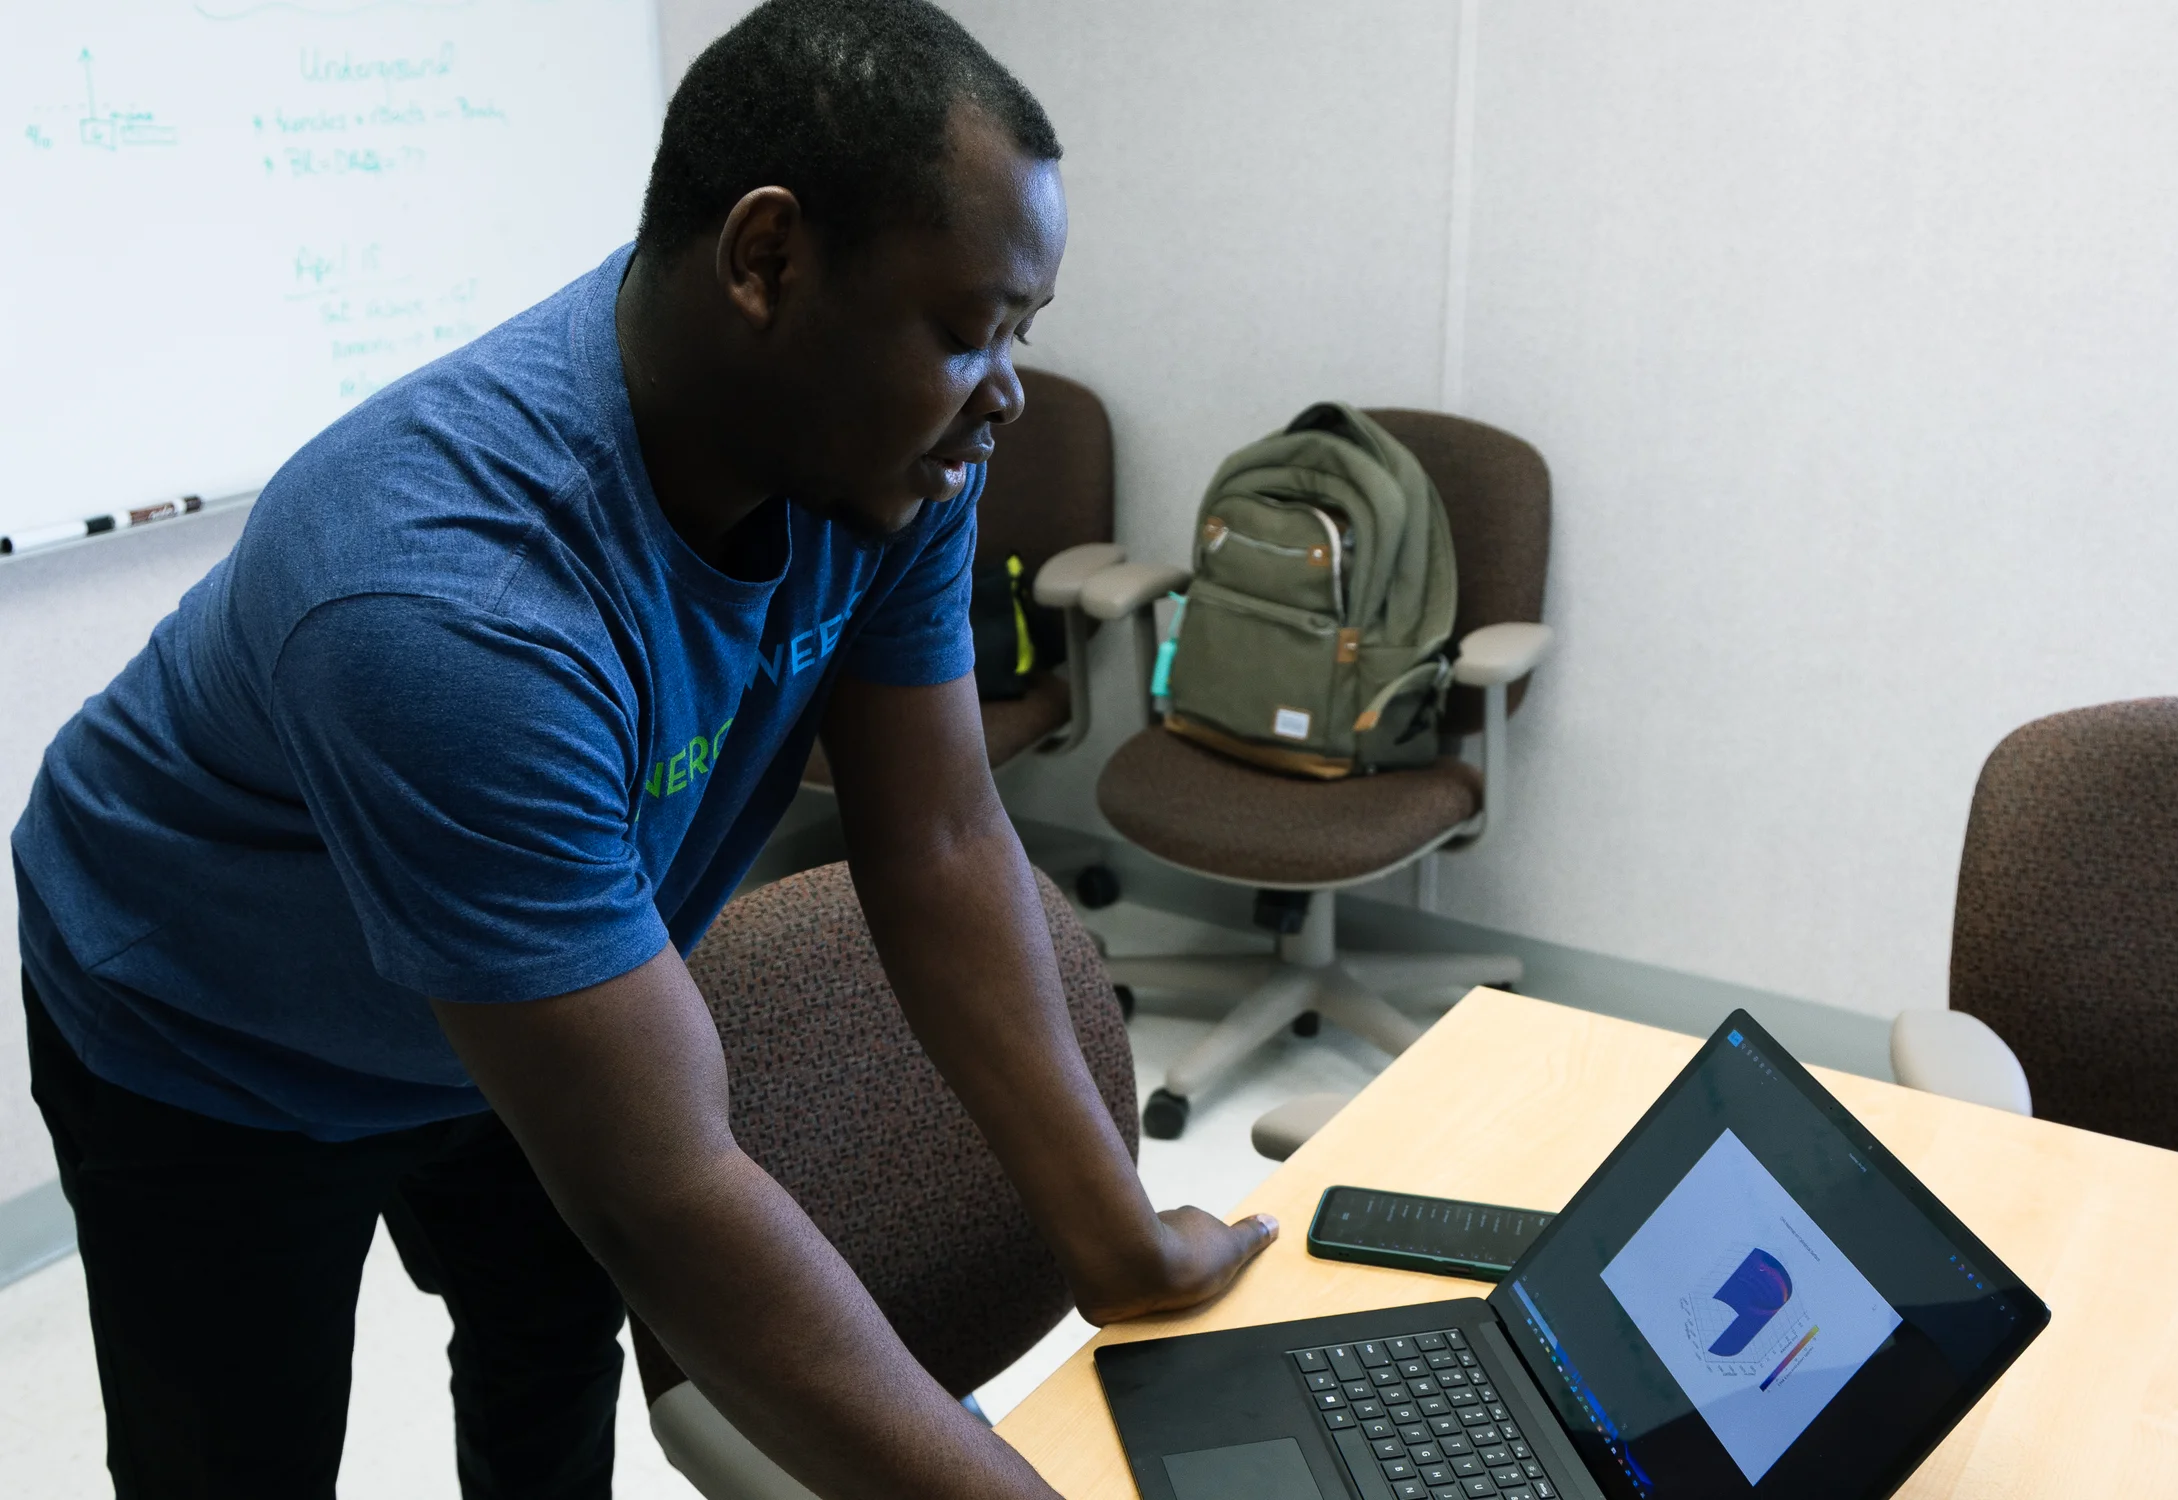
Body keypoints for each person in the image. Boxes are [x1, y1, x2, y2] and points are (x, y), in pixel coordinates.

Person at [11, 2, 1276, 1495]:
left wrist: (1121, 1252)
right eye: (963, 328)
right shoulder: (449, 604)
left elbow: (933, 844)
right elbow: (665, 1192)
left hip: (534, 997)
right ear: (765, 261)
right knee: (238, 1456)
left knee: (548, 1364)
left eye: (1020, 331)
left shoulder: (882, 453)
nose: (1001, 391)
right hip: (220, 1028)